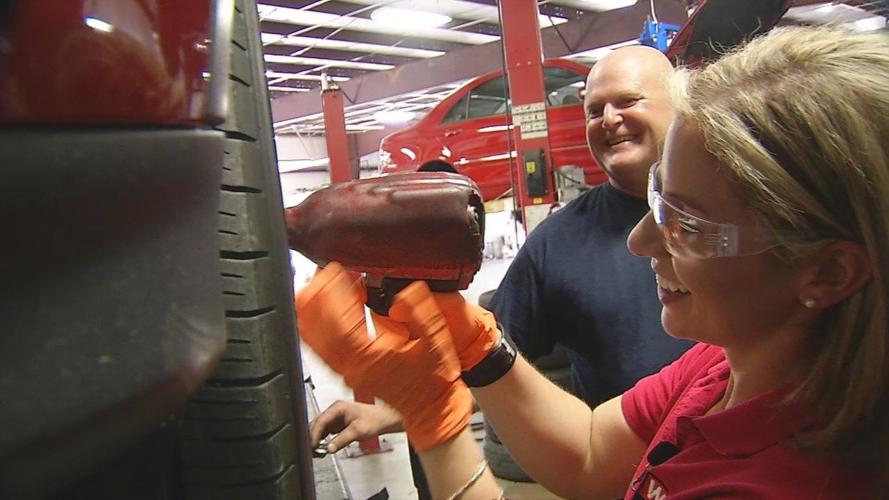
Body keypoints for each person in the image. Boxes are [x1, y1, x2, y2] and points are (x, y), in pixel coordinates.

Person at [297, 25, 889, 498]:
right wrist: (476, 343)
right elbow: (587, 454)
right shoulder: (721, 369)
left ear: (827, 272)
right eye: (659, 201)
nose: (641, 242)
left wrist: (438, 424)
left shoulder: (787, 481)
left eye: (689, 224)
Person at [308, 44, 693, 457]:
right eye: (595, 111)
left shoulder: (739, 209)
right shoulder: (557, 242)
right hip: (631, 475)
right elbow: (486, 358)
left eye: (628, 102)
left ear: (680, 106)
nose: (610, 121)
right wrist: (390, 412)